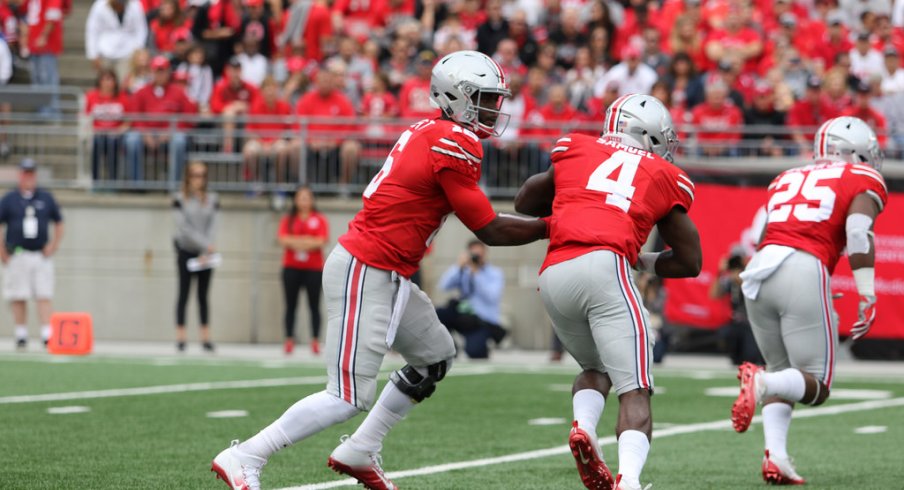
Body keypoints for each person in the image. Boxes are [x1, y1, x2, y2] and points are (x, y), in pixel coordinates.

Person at [212, 50, 548, 490]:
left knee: (434, 359)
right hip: (367, 267)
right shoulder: (454, 140)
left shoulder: (431, 131)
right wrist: (556, 225)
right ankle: (245, 455)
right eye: (484, 98)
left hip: (388, 272)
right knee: (346, 395)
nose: (494, 108)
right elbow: (489, 228)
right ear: (455, 97)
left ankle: (362, 448)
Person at [514, 94, 702, 490]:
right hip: (606, 265)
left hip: (554, 271)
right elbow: (690, 261)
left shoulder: (575, 146)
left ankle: (584, 426)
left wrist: (576, 194)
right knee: (635, 389)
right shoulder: (664, 173)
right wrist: (644, 260)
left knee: (595, 368)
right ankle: (629, 481)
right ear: (650, 135)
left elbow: (526, 200)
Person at [730, 116, 887, 485]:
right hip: (804, 266)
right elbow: (858, 232)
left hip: (760, 271)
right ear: (856, 152)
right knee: (815, 384)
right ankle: (762, 383)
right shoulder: (862, 178)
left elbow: (762, 234)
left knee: (785, 370)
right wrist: (866, 291)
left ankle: (776, 457)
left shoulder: (785, 177)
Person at [0, 159, 64, 350]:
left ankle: (47, 334)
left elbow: (59, 222)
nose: (28, 177)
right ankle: (21, 334)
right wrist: (2, 251)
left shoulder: (46, 198)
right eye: (25, 173)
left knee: (43, 294)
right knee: (19, 295)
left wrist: (53, 245)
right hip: (17, 254)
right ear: (20, 175)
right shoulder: (9, 199)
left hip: (40, 254)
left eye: (31, 173)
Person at [124, 55, 196, 182]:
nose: (160, 75)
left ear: (169, 72)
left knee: (179, 141)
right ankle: (136, 183)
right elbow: (134, 116)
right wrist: (145, 133)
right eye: (157, 71)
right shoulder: (142, 92)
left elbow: (188, 117)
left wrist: (171, 131)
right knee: (132, 140)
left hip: (170, 133)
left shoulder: (178, 92)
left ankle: (174, 183)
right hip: (147, 132)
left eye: (163, 71)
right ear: (152, 72)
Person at [173, 161, 218, 352]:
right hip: (186, 251)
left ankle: (205, 337)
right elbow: (183, 228)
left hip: (206, 255)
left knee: (203, 296)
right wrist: (204, 244)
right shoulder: (179, 198)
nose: (198, 179)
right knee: (183, 293)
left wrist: (208, 248)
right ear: (188, 176)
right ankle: (181, 336)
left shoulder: (212, 199)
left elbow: (214, 225)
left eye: (202, 175)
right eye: (194, 174)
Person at [278, 185, 328, 355]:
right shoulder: (288, 219)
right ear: (296, 200)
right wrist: (307, 241)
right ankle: (289, 339)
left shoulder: (319, 219)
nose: (304, 201)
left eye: (307, 197)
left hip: (313, 269)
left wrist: (298, 242)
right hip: (291, 267)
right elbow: (284, 240)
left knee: (314, 306)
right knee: (290, 305)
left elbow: (321, 241)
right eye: (301, 197)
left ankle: (314, 340)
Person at [436, 240, 506, 359]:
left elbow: (492, 296)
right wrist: (458, 266)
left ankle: (481, 345)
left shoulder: (495, 273)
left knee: (475, 353)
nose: (476, 258)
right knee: (438, 314)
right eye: (473, 255)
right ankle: (450, 348)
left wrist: (476, 274)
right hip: (463, 316)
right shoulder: (464, 270)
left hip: (481, 321)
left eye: (479, 255)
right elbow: (443, 286)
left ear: (485, 254)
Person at [710, 249, 763, 366]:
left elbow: (755, 295)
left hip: (751, 324)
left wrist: (740, 280)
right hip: (735, 323)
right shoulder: (729, 280)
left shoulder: (752, 274)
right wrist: (720, 273)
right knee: (725, 337)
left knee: (750, 357)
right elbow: (713, 295)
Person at [85, 0, 148, 82]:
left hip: (127, 53)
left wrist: (138, 51)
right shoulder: (100, 5)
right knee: (106, 83)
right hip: (105, 52)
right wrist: (93, 55)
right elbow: (92, 30)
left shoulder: (135, 4)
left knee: (125, 83)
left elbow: (141, 29)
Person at [85, 69, 129, 181]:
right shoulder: (91, 96)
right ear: (99, 81)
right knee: (97, 142)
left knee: (112, 142)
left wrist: (120, 130)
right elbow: (85, 117)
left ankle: (112, 181)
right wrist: (91, 130)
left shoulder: (122, 97)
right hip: (97, 133)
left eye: (110, 79)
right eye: (104, 79)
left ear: (115, 82)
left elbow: (129, 120)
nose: (107, 82)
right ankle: (95, 180)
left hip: (116, 134)